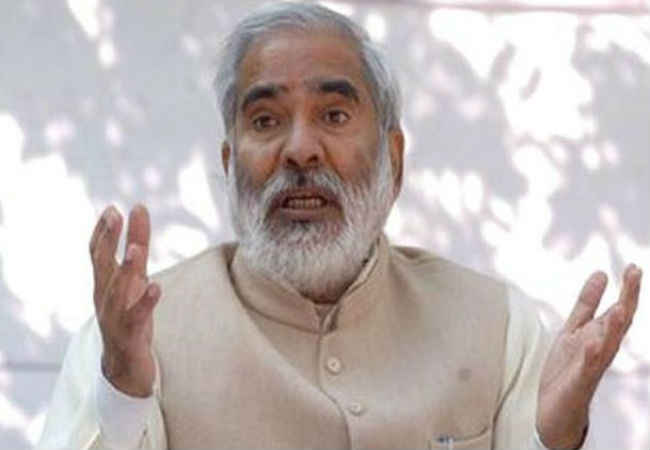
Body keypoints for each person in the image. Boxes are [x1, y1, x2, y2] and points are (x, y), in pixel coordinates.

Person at [38, 3, 642, 449]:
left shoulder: (499, 326)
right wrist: (123, 390)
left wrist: (554, 438)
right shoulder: (132, 339)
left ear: (393, 160)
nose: (300, 149)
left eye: (333, 114)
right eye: (266, 120)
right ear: (229, 164)